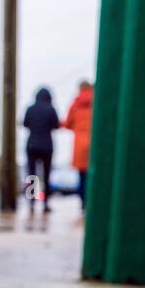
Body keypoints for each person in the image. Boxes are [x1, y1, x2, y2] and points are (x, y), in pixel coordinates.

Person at [22, 86, 60, 211]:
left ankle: (32, 202)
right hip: (46, 146)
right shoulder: (51, 109)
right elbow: (56, 125)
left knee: (32, 175)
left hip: (32, 144)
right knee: (46, 174)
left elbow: (25, 123)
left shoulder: (30, 109)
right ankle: (45, 203)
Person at [63, 80, 94, 211]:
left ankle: (83, 204)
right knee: (93, 174)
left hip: (79, 144)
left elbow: (68, 123)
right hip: (93, 142)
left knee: (82, 176)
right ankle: (92, 201)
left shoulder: (75, 104)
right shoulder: (96, 102)